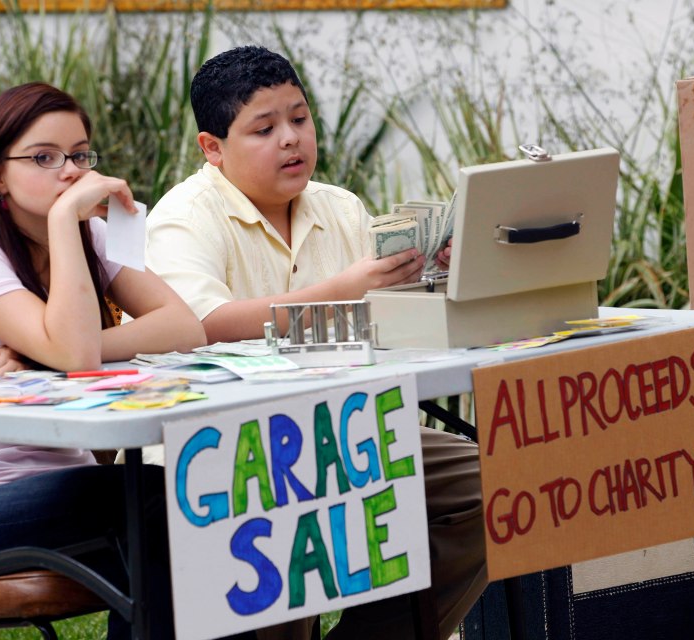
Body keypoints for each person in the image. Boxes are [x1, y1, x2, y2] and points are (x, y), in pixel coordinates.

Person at [144, 46, 487, 640]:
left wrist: (433, 277)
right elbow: (203, 323)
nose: (290, 139)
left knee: (498, 483)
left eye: (299, 119)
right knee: (286, 525)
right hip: (225, 447)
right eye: (264, 127)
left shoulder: (340, 207)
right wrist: (346, 287)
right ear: (212, 148)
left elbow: (387, 322)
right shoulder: (183, 217)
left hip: (348, 429)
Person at [0, 82, 207, 639]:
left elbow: (184, 327)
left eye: (80, 155)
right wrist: (66, 222)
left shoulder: (95, 236)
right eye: (44, 158)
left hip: (69, 492)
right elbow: (75, 351)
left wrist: (48, 357)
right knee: (161, 500)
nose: (69, 171)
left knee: (203, 526)